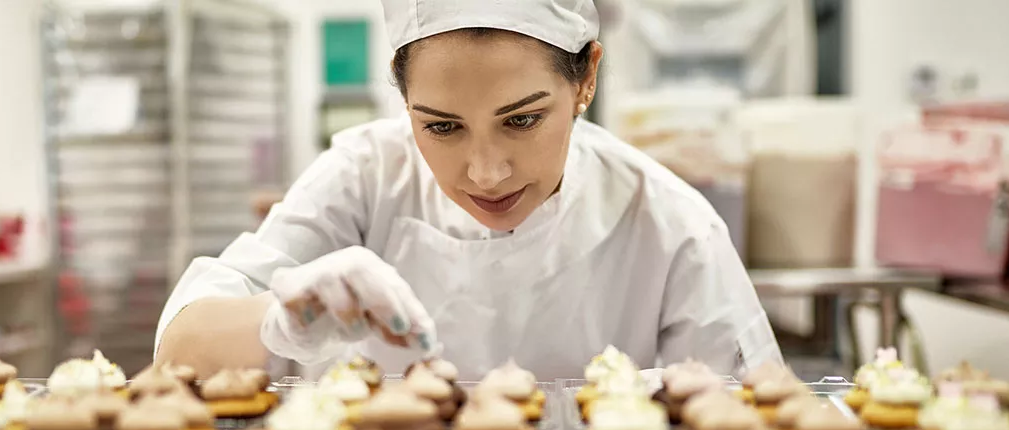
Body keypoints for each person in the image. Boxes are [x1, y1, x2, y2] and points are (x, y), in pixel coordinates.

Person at [155, 0, 783, 380]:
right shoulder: (363, 178)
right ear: (403, 99)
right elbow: (178, 349)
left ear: (587, 76)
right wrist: (278, 323)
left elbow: (749, 419)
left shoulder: (671, 228)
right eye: (442, 127)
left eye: (522, 120)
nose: (485, 172)